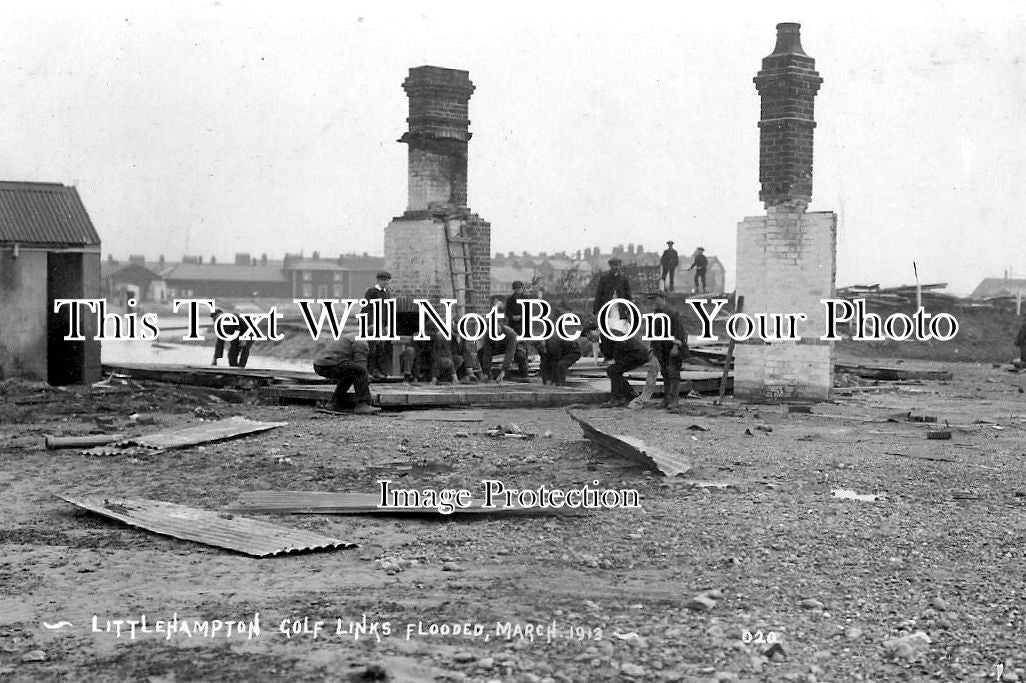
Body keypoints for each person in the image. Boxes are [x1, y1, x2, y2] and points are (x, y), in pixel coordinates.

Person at [312, 332, 381, 414]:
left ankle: (334, 403)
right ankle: (362, 405)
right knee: (360, 370)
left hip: (320, 364)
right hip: (328, 364)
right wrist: (367, 393)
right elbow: (362, 368)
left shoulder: (355, 336)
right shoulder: (362, 343)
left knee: (350, 372)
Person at [647, 290, 689, 409]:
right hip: (661, 349)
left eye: (655, 299)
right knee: (665, 373)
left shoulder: (673, 313)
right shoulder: (655, 314)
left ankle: (674, 400)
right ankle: (666, 399)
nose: (653, 302)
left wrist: (676, 346)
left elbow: (680, 332)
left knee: (673, 373)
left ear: (662, 298)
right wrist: (652, 348)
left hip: (673, 349)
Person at [592, 257, 634, 360]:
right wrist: (596, 310)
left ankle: (619, 355)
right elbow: (599, 295)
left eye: (617, 265)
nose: (615, 267)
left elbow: (628, 295)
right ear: (610, 266)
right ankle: (608, 355)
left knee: (620, 333)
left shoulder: (624, 279)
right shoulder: (604, 278)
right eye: (613, 265)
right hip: (607, 310)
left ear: (620, 266)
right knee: (606, 333)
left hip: (620, 310)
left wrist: (630, 310)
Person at [363, 271, 393, 379]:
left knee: (381, 348)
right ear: (378, 280)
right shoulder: (371, 292)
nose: (386, 282)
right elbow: (366, 309)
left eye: (387, 280)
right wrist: (372, 324)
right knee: (372, 348)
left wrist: (387, 325)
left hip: (382, 325)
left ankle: (378, 370)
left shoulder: (386, 293)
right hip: (374, 325)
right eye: (384, 280)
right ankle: (369, 371)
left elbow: (387, 310)